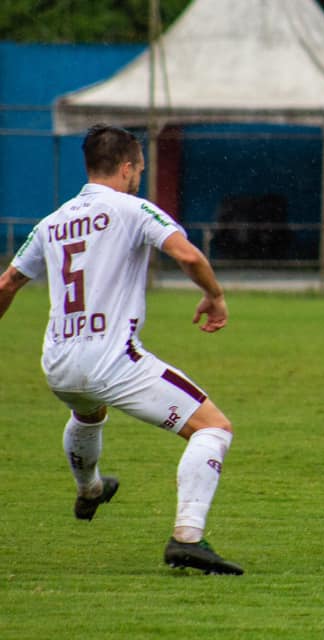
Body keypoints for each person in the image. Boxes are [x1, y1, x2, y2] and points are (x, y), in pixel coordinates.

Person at [0, 124, 243, 575]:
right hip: (113, 361)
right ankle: (187, 538)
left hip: (58, 362)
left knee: (88, 413)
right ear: (128, 168)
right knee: (213, 428)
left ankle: (90, 488)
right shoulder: (134, 209)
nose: (139, 179)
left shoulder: (51, 223)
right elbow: (188, 255)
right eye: (140, 171)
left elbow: (8, 284)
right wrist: (215, 295)